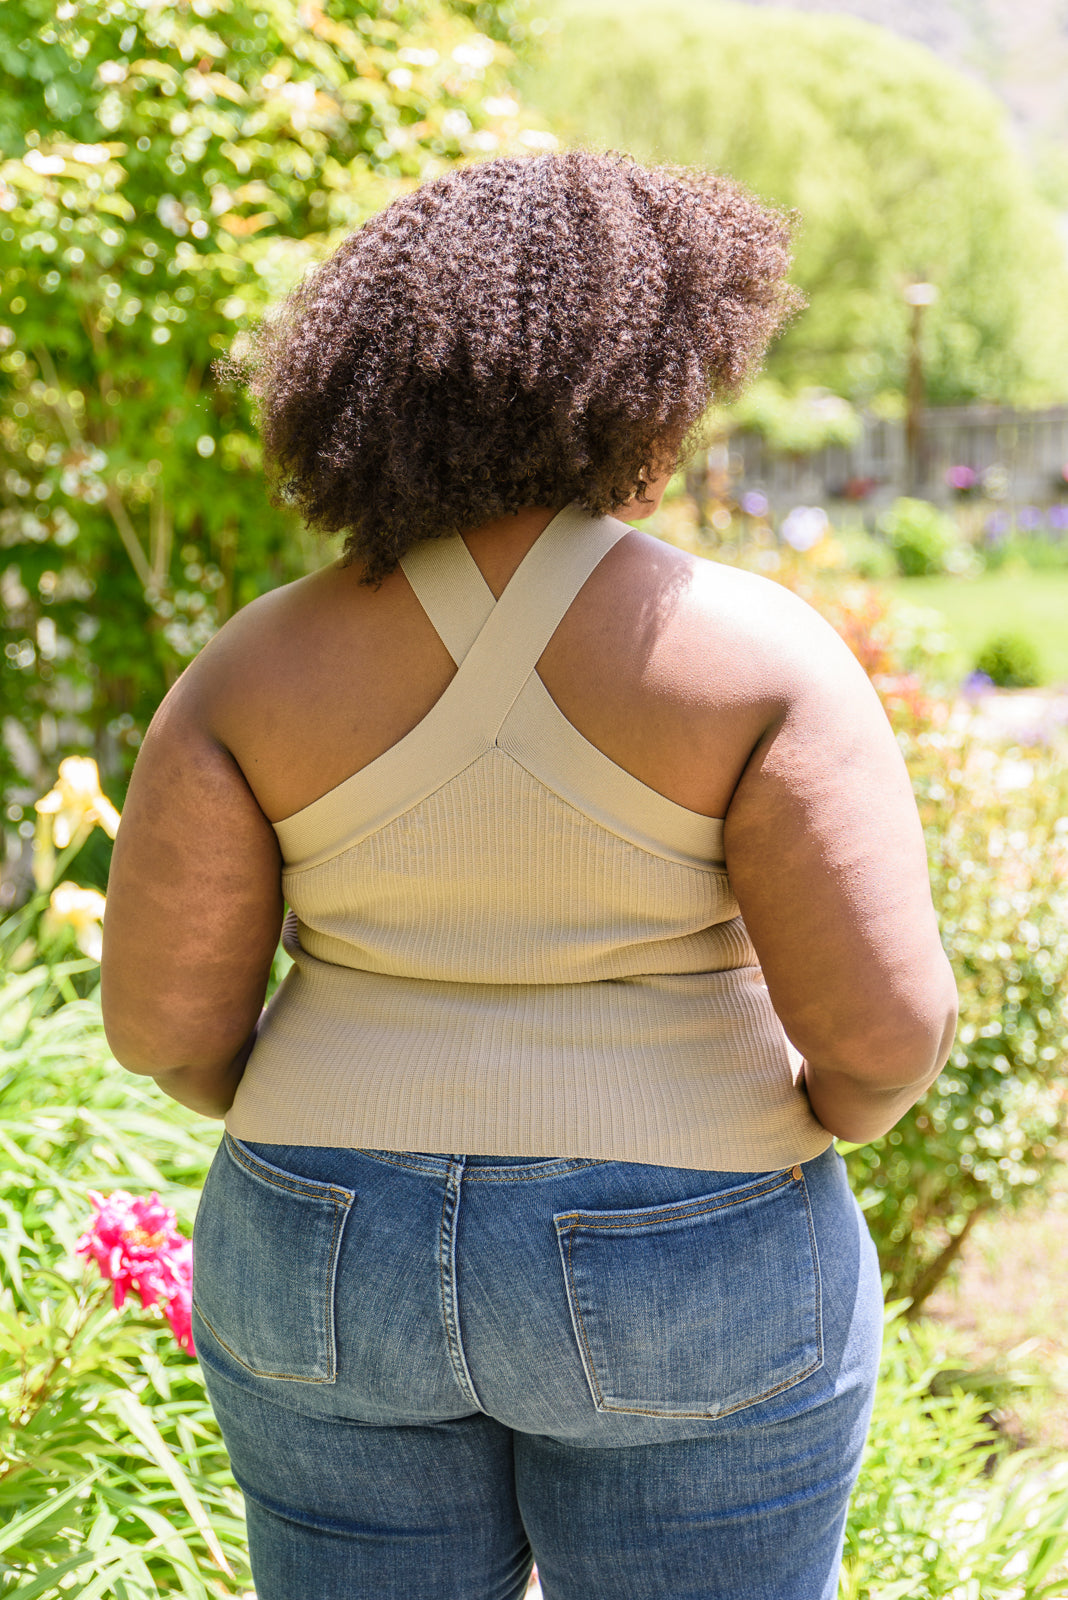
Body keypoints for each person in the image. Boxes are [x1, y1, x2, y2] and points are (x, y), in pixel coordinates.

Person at [101, 152, 958, 1600]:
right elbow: (884, 1036)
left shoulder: (252, 669)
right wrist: (824, 1117)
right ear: (653, 376)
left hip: (320, 1239)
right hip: (694, 1234)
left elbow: (166, 1033)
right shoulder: (753, 657)